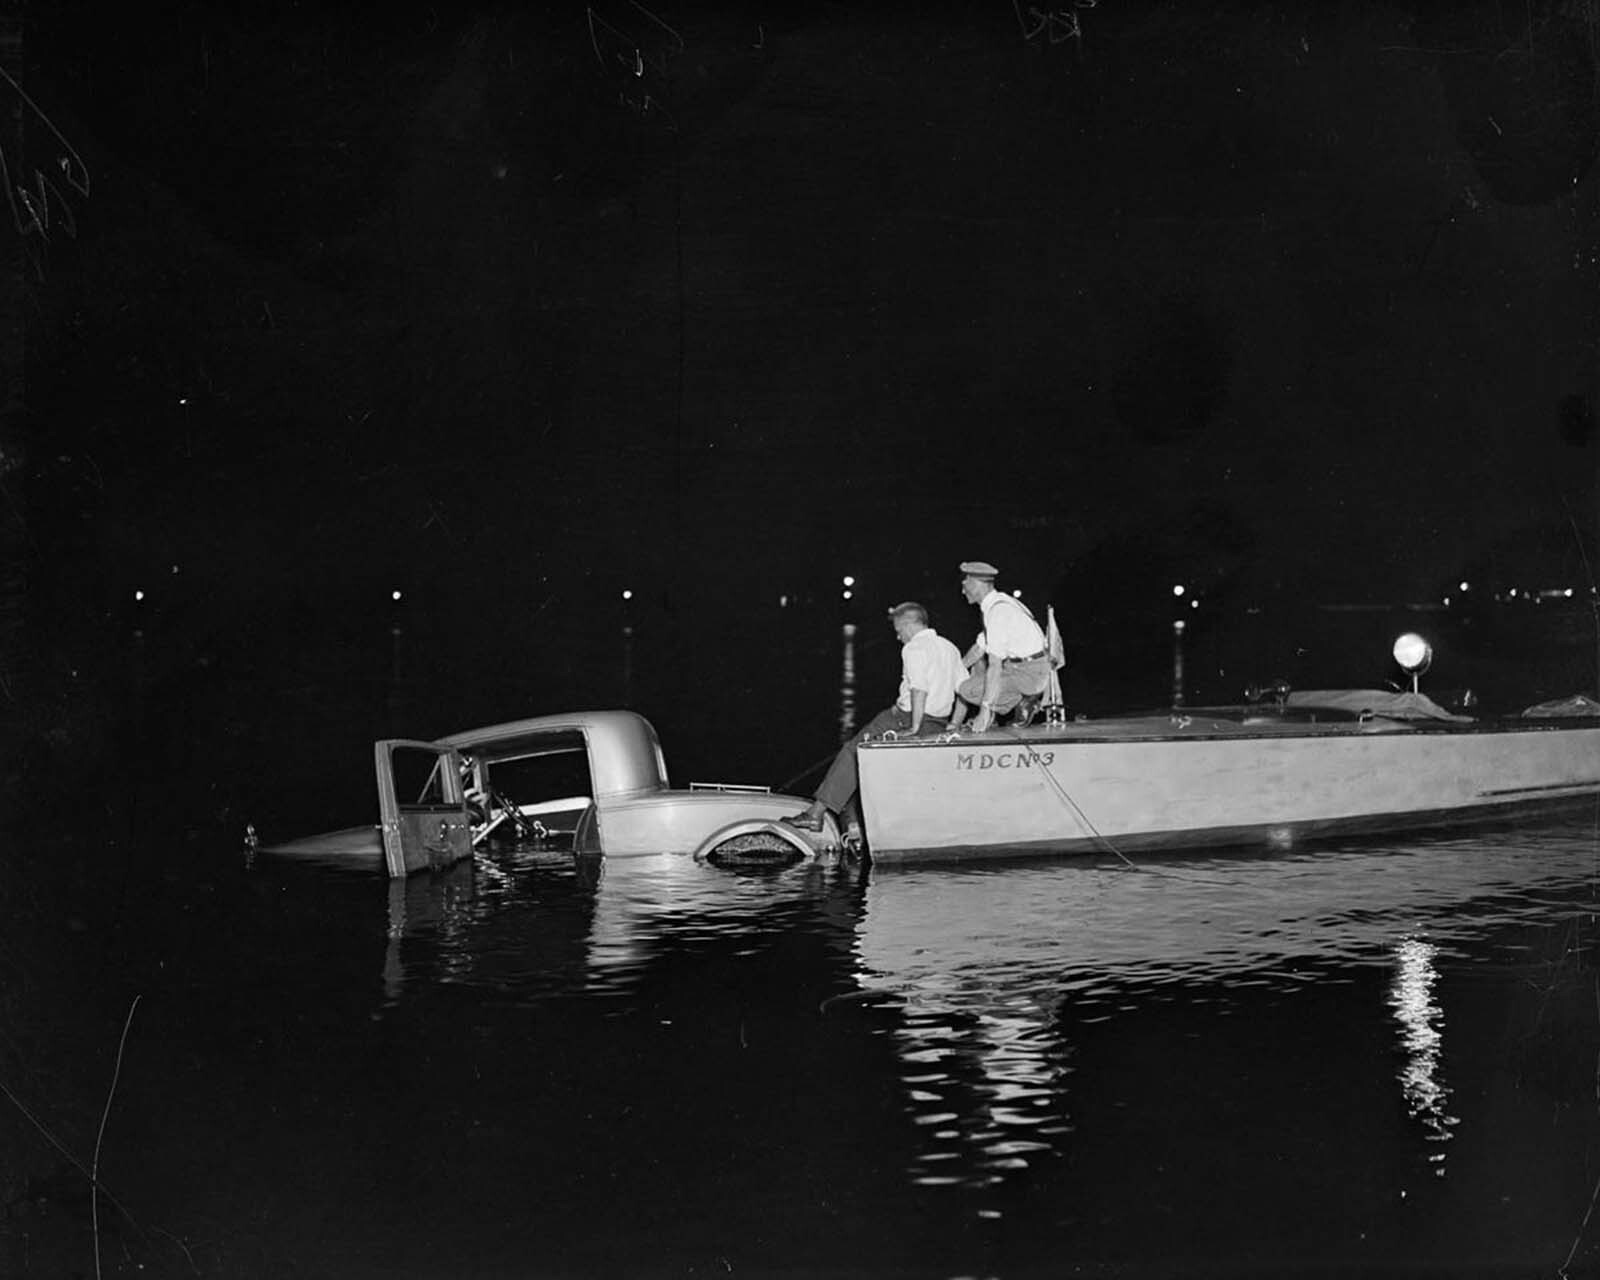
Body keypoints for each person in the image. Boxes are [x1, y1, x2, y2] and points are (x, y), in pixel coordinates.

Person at [783, 600, 966, 832]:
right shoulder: (949, 648)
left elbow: (919, 689)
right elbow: (964, 689)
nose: (898, 637)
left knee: (853, 752)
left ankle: (815, 814)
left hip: (907, 717)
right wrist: (954, 724)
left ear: (909, 625)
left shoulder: (914, 648)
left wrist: (913, 726)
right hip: (938, 723)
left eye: (898, 630)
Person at [948, 560, 1050, 734]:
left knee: (967, 689)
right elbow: (978, 649)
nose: (963, 591)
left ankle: (1023, 701)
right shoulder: (998, 603)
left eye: (965, 585)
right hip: (1024, 667)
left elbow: (995, 666)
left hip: (1030, 673)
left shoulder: (998, 612)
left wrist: (984, 710)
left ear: (976, 583)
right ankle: (1017, 701)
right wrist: (952, 672)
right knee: (970, 679)